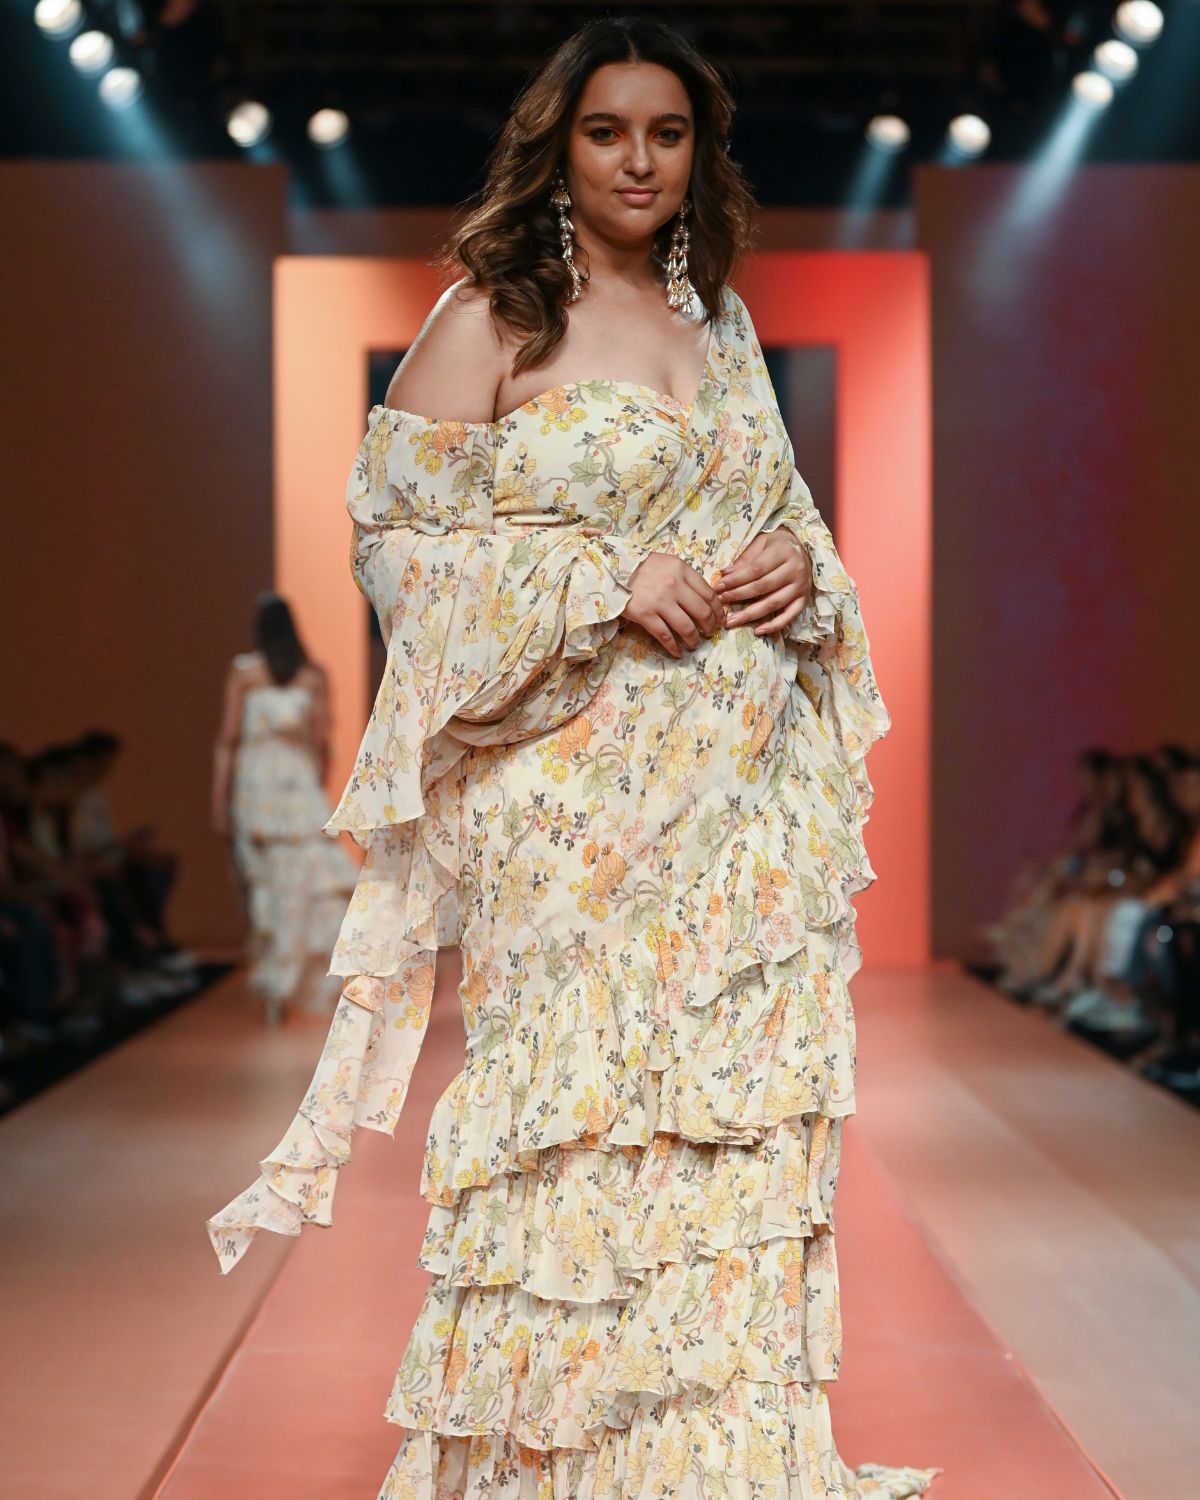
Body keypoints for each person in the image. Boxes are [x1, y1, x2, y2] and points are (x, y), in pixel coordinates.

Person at [208, 19, 942, 1498]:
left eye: (668, 134)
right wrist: (602, 581)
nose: (638, 162)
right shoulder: (492, 318)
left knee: (729, 1129)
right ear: (561, 145)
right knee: (576, 1120)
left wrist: (799, 571)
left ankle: (713, 1471)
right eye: (609, 131)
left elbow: (785, 520)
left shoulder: (719, 326)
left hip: (735, 817)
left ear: (699, 153)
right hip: (564, 810)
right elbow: (396, 550)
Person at [211, 592, 357, 1024]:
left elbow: (227, 742)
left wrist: (219, 801)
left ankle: (277, 986)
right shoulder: (311, 677)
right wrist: (317, 792)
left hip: (256, 793)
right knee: (307, 886)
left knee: (268, 887)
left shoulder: (245, 674)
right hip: (297, 790)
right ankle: (289, 981)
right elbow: (321, 745)